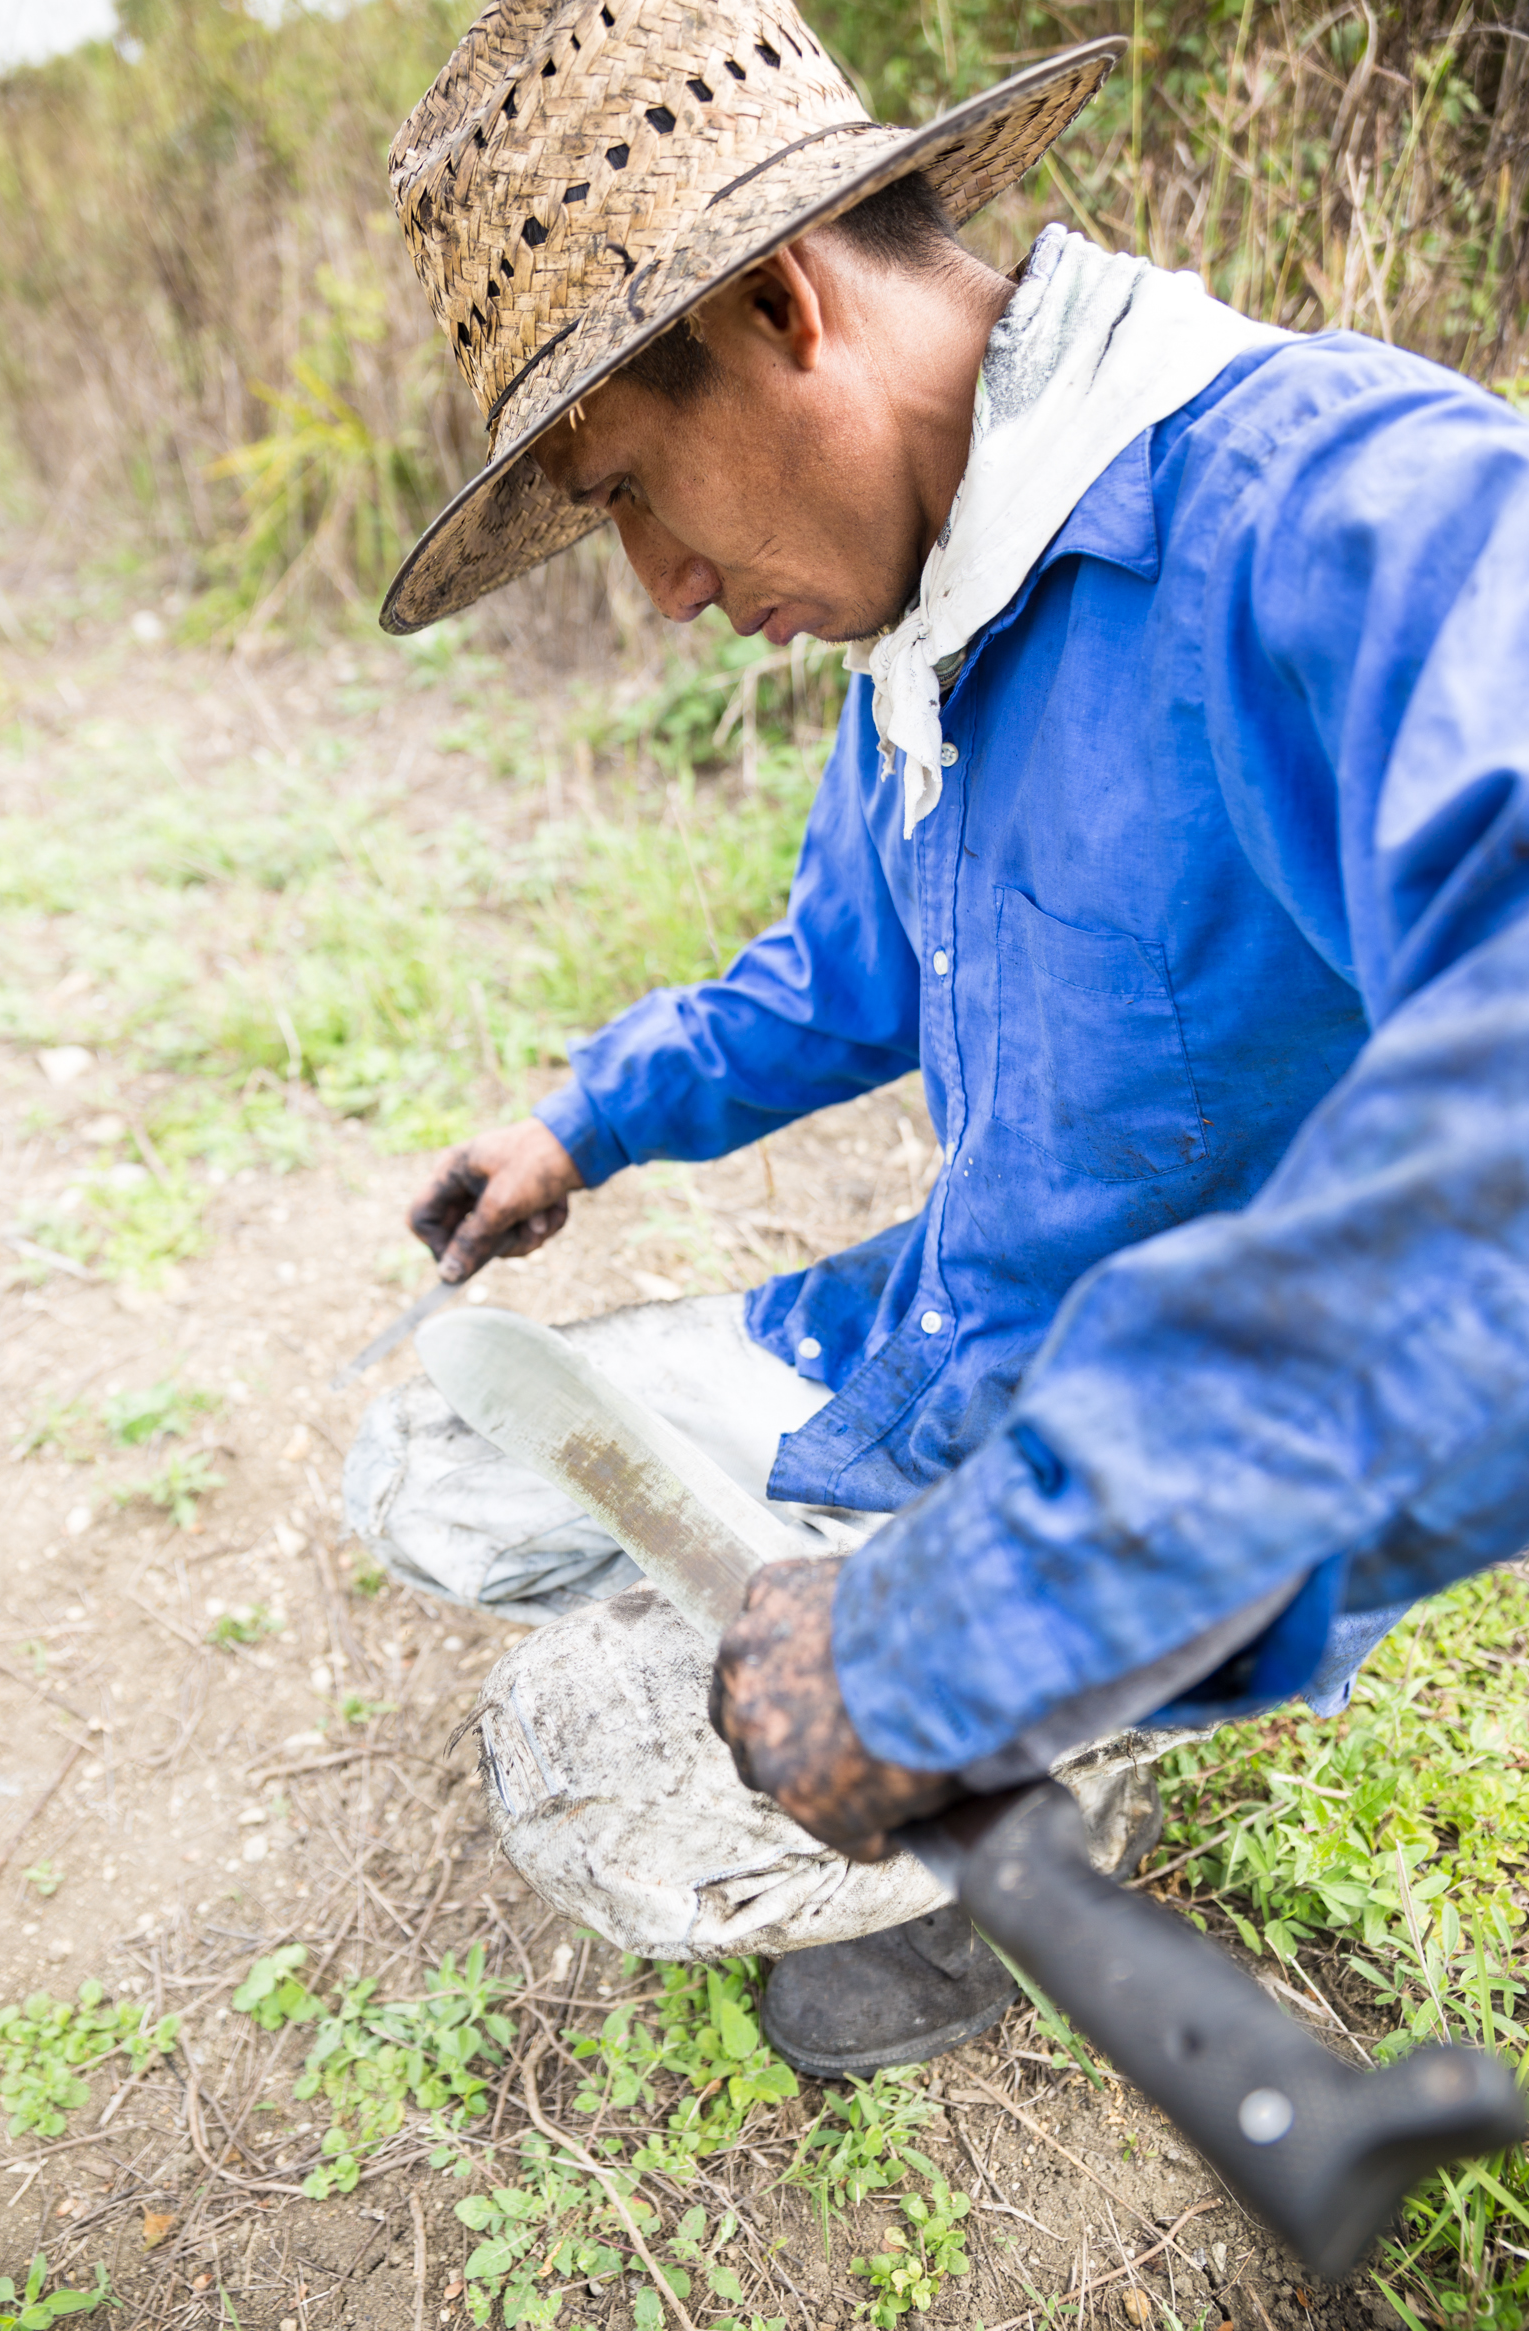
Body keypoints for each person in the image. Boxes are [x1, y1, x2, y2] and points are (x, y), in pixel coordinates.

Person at [348, 0, 1529, 2073]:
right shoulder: (928, 609)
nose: (661, 593)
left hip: (1137, 1444)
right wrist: (578, 1126)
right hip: (929, 1344)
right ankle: (928, 1681)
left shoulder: (1347, 516)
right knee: (435, 1458)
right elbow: (842, 967)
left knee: (601, 1788)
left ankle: (1030, 1751)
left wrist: (952, 1636)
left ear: (784, 304)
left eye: (628, 490)